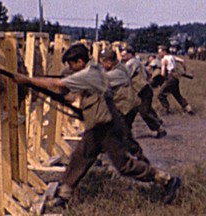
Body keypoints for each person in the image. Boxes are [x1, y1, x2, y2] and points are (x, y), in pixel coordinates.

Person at [13, 43, 181, 206]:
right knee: (80, 157)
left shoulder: (89, 74)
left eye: (72, 65)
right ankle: (64, 194)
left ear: (80, 62)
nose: (71, 70)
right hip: (98, 124)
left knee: (124, 166)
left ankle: (167, 180)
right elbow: (70, 97)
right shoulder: (91, 69)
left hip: (106, 125)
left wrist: (28, 80)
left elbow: (59, 84)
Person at [121, 46, 166, 138]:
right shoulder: (137, 62)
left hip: (142, 90)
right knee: (132, 111)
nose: (122, 56)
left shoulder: (131, 63)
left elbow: (125, 76)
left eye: (124, 54)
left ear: (130, 54)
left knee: (144, 112)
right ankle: (126, 132)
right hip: (141, 90)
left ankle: (159, 128)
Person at [157, 45, 194, 115]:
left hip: (170, 78)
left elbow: (162, 74)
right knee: (177, 95)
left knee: (160, 95)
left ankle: (166, 110)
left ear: (164, 52)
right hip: (175, 79)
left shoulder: (164, 60)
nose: (159, 54)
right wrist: (184, 70)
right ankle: (189, 109)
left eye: (160, 52)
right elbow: (182, 61)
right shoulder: (172, 57)